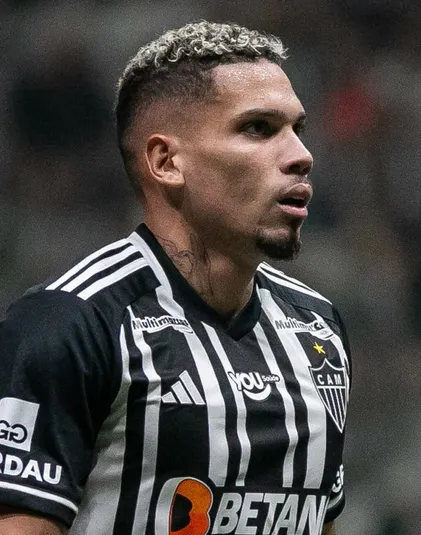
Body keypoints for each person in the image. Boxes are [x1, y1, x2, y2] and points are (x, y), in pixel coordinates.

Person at [0, 20, 351, 535]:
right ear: (166, 162)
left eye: (298, 129)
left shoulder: (318, 330)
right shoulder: (70, 325)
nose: (301, 155)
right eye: (258, 128)